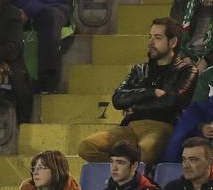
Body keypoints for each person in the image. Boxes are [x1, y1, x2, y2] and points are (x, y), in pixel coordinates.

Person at [79, 19, 195, 167]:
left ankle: (128, 172)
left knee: (143, 155)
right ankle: (124, 169)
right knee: (86, 147)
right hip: (130, 127)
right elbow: (118, 99)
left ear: (173, 42)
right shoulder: (139, 69)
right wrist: (151, 92)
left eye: (157, 38)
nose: (151, 42)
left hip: (161, 126)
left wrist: (137, 106)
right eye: (150, 37)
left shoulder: (187, 70)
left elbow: (173, 102)